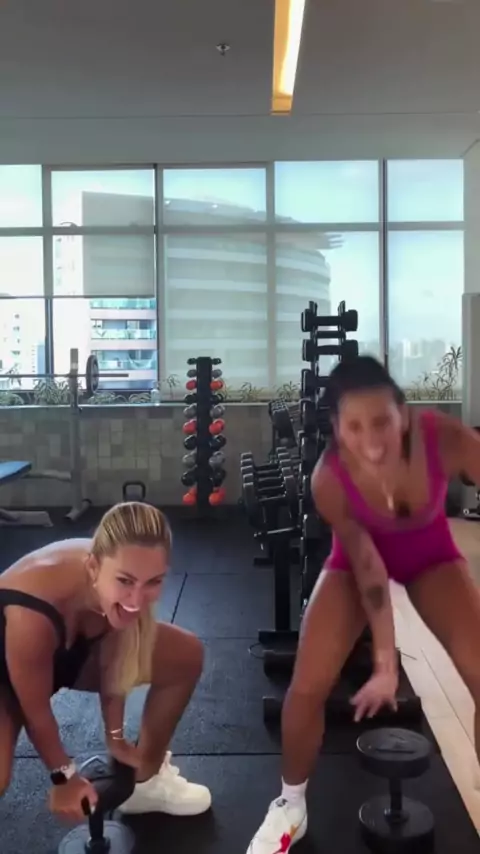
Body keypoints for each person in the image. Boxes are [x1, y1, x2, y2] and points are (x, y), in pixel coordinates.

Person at [247, 355, 480, 854]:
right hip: (355, 567)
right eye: (354, 427)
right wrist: (384, 663)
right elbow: (370, 569)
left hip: (431, 556)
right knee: (307, 684)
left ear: (404, 414)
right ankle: (290, 807)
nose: (371, 440)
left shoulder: (445, 439)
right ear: (336, 428)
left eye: (381, 422)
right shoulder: (329, 480)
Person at [0, 501, 211, 822]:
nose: (137, 600)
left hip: (64, 650)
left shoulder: (123, 575)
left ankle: (144, 785)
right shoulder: (32, 615)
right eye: (125, 581)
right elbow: (36, 712)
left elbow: (116, 664)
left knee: (184, 655)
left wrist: (116, 739)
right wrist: (64, 777)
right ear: (93, 568)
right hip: (6, 666)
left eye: (154, 582)